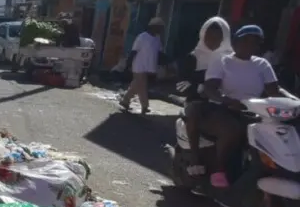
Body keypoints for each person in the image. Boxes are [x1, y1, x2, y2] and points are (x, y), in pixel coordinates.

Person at [188, 25, 281, 188]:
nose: (250, 45)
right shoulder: (222, 60)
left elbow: (275, 90)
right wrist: (227, 101)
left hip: (253, 112)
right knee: (232, 129)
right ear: (235, 42)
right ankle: (219, 169)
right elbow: (210, 88)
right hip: (222, 109)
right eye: (245, 41)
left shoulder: (262, 64)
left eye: (255, 42)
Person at [120, 17, 165, 114]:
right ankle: (145, 106)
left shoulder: (157, 39)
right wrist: (128, 64)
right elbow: (134, 51)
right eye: (160, 28)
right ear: (153, 27)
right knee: (142, 86)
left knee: (136, 85)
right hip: (139, 66)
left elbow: (160, 52)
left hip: (148, 67)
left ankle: (125, 100)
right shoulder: (142, 37)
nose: (161, 30)